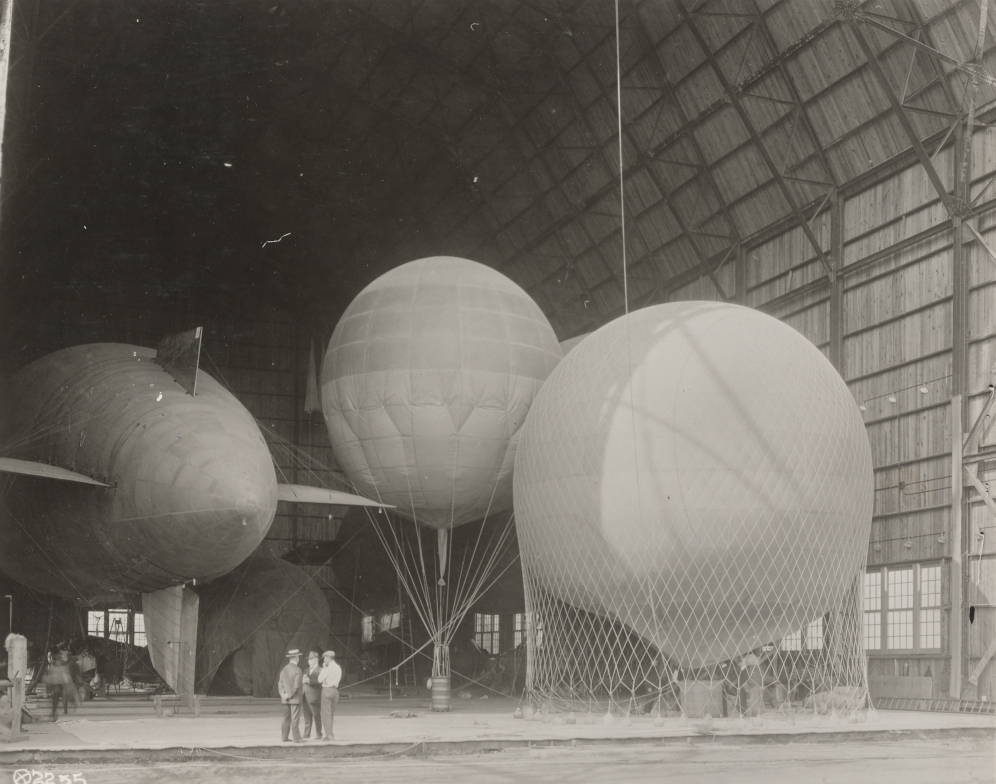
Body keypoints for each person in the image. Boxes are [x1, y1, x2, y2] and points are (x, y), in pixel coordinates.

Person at [277, 648, 304, 743]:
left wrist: (283, 694)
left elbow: (280, 684)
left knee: (285, 718)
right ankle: (297, 738)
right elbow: (296, 686)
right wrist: (290, 695)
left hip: (285, 699)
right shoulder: (298, 670)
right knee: (295, 718)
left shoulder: (284, 669)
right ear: (296, 657)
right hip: (295, 698)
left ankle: (284, 737)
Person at [318, 650, 342, 741]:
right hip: (335, 691)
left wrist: (324, 668)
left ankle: (329, 735)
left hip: (327, 690)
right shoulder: (338, 667)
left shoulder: (327, 669)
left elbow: (319, 680)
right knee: (331, 713)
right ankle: (330, 733)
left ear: (328, 658)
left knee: (325, 714)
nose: (324, 660)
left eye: (324, 658)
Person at [301, 650, 323, 740]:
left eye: (311, 659)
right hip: (305, 696)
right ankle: (306, 734)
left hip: (314, 696)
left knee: (316, 715)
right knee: (307, 716)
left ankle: (318, 734)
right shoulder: (306, 670)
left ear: (317, 659)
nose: (309, 661)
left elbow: (320, 681)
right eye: (309, 659)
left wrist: (309, 681)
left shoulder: (321, 670)